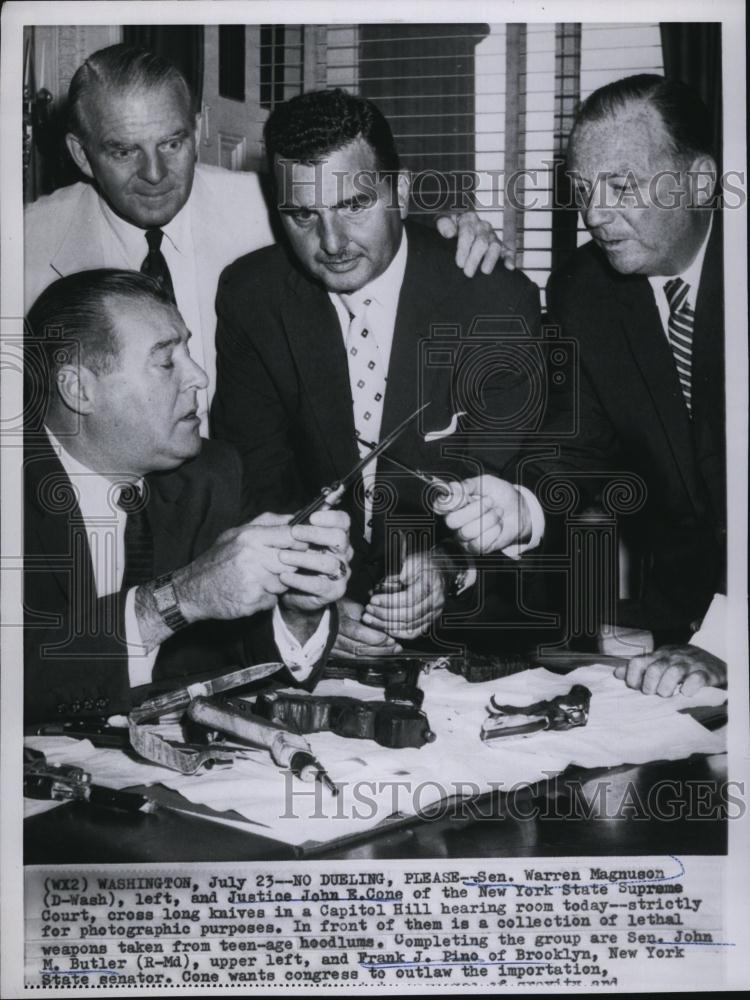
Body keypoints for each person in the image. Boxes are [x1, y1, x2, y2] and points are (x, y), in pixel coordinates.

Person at [211, 88, 546, 659]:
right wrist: (307, 607)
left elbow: (520, 485)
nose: (333, 243)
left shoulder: (494, 298)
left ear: (403, 192)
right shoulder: (252, 298)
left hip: (476, 631)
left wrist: (450, 564)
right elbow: (256, 482)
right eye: (302, 214)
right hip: (318, 632)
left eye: (354, 204)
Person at [24, 44, 509, 434]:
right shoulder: (23, 247)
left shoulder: (272, 205)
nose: (154, 173)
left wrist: (461, 232)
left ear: (196, 132)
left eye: (172, 143)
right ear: (82, 156)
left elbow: (363, 218)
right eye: (124, 150)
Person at [446, 75, 726, 697]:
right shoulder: (586, 289)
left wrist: (731, 642)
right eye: (582, 188)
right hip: (683, 619)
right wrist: (524, 505)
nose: (594, 215)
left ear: (701, 182)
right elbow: (578, 444)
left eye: (621, 186)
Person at [24, 269, 352, 723]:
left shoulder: (212, 474)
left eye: (188, 351)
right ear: (78, 389)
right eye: (165, 362)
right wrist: (179, 598)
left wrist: (297, 610)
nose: (198, 377)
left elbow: (246, 661)